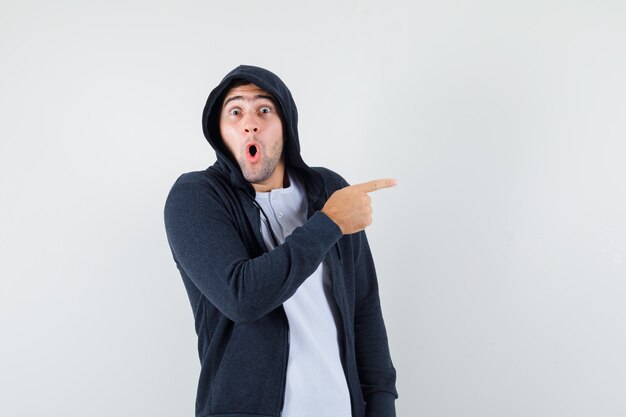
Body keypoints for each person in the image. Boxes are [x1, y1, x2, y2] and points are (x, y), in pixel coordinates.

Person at [164, 65, 398, 417]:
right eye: (235, 111)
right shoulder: (196, 197)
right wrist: (329, 223)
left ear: (286, 123)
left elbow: (364, 308)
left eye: (264, 109)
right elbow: (241, 296)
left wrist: (381, 405)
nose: (250, 123)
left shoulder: (329, 190)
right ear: (219, 131)